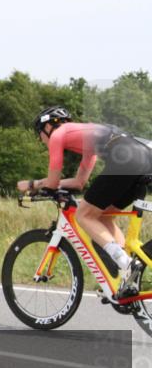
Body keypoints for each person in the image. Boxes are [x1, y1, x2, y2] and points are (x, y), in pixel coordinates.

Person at [18, 106, 152, 297]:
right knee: (102, 217)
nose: (41, 139)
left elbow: (53, 182)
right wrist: (45, 185)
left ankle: (127, 264)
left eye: (39, 134)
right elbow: (79, 182)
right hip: (142, 159)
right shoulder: (88, 135)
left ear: (47, 127)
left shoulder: (57, 135)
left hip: (127, 160)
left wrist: (32, 184)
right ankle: (127, 276)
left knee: (83, 215)